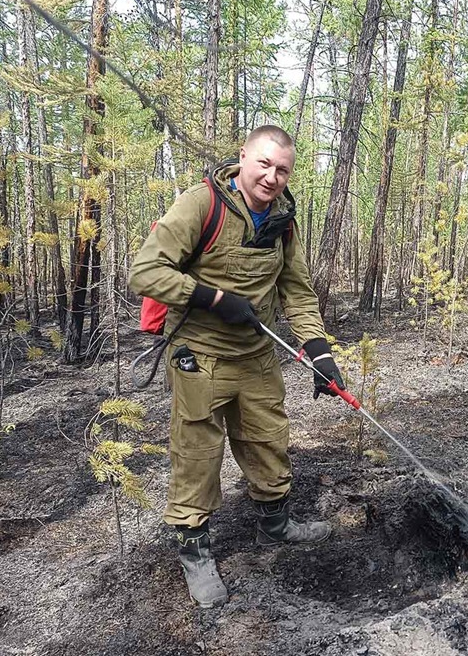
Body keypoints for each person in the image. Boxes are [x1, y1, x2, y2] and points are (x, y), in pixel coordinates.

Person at [129, 125, 345, 607]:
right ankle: (195, 552)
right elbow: (145, 271)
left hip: (256, 354)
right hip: (199, 354)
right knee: (197, 453)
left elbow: (297, 289)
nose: (271, 176)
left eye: (282, 170)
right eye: (264, 163)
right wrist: (212, 298)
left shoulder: (284, 221)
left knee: (269, 439)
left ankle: (275, 526)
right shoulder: (201, 204)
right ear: (244, 156)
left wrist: (319, 351)